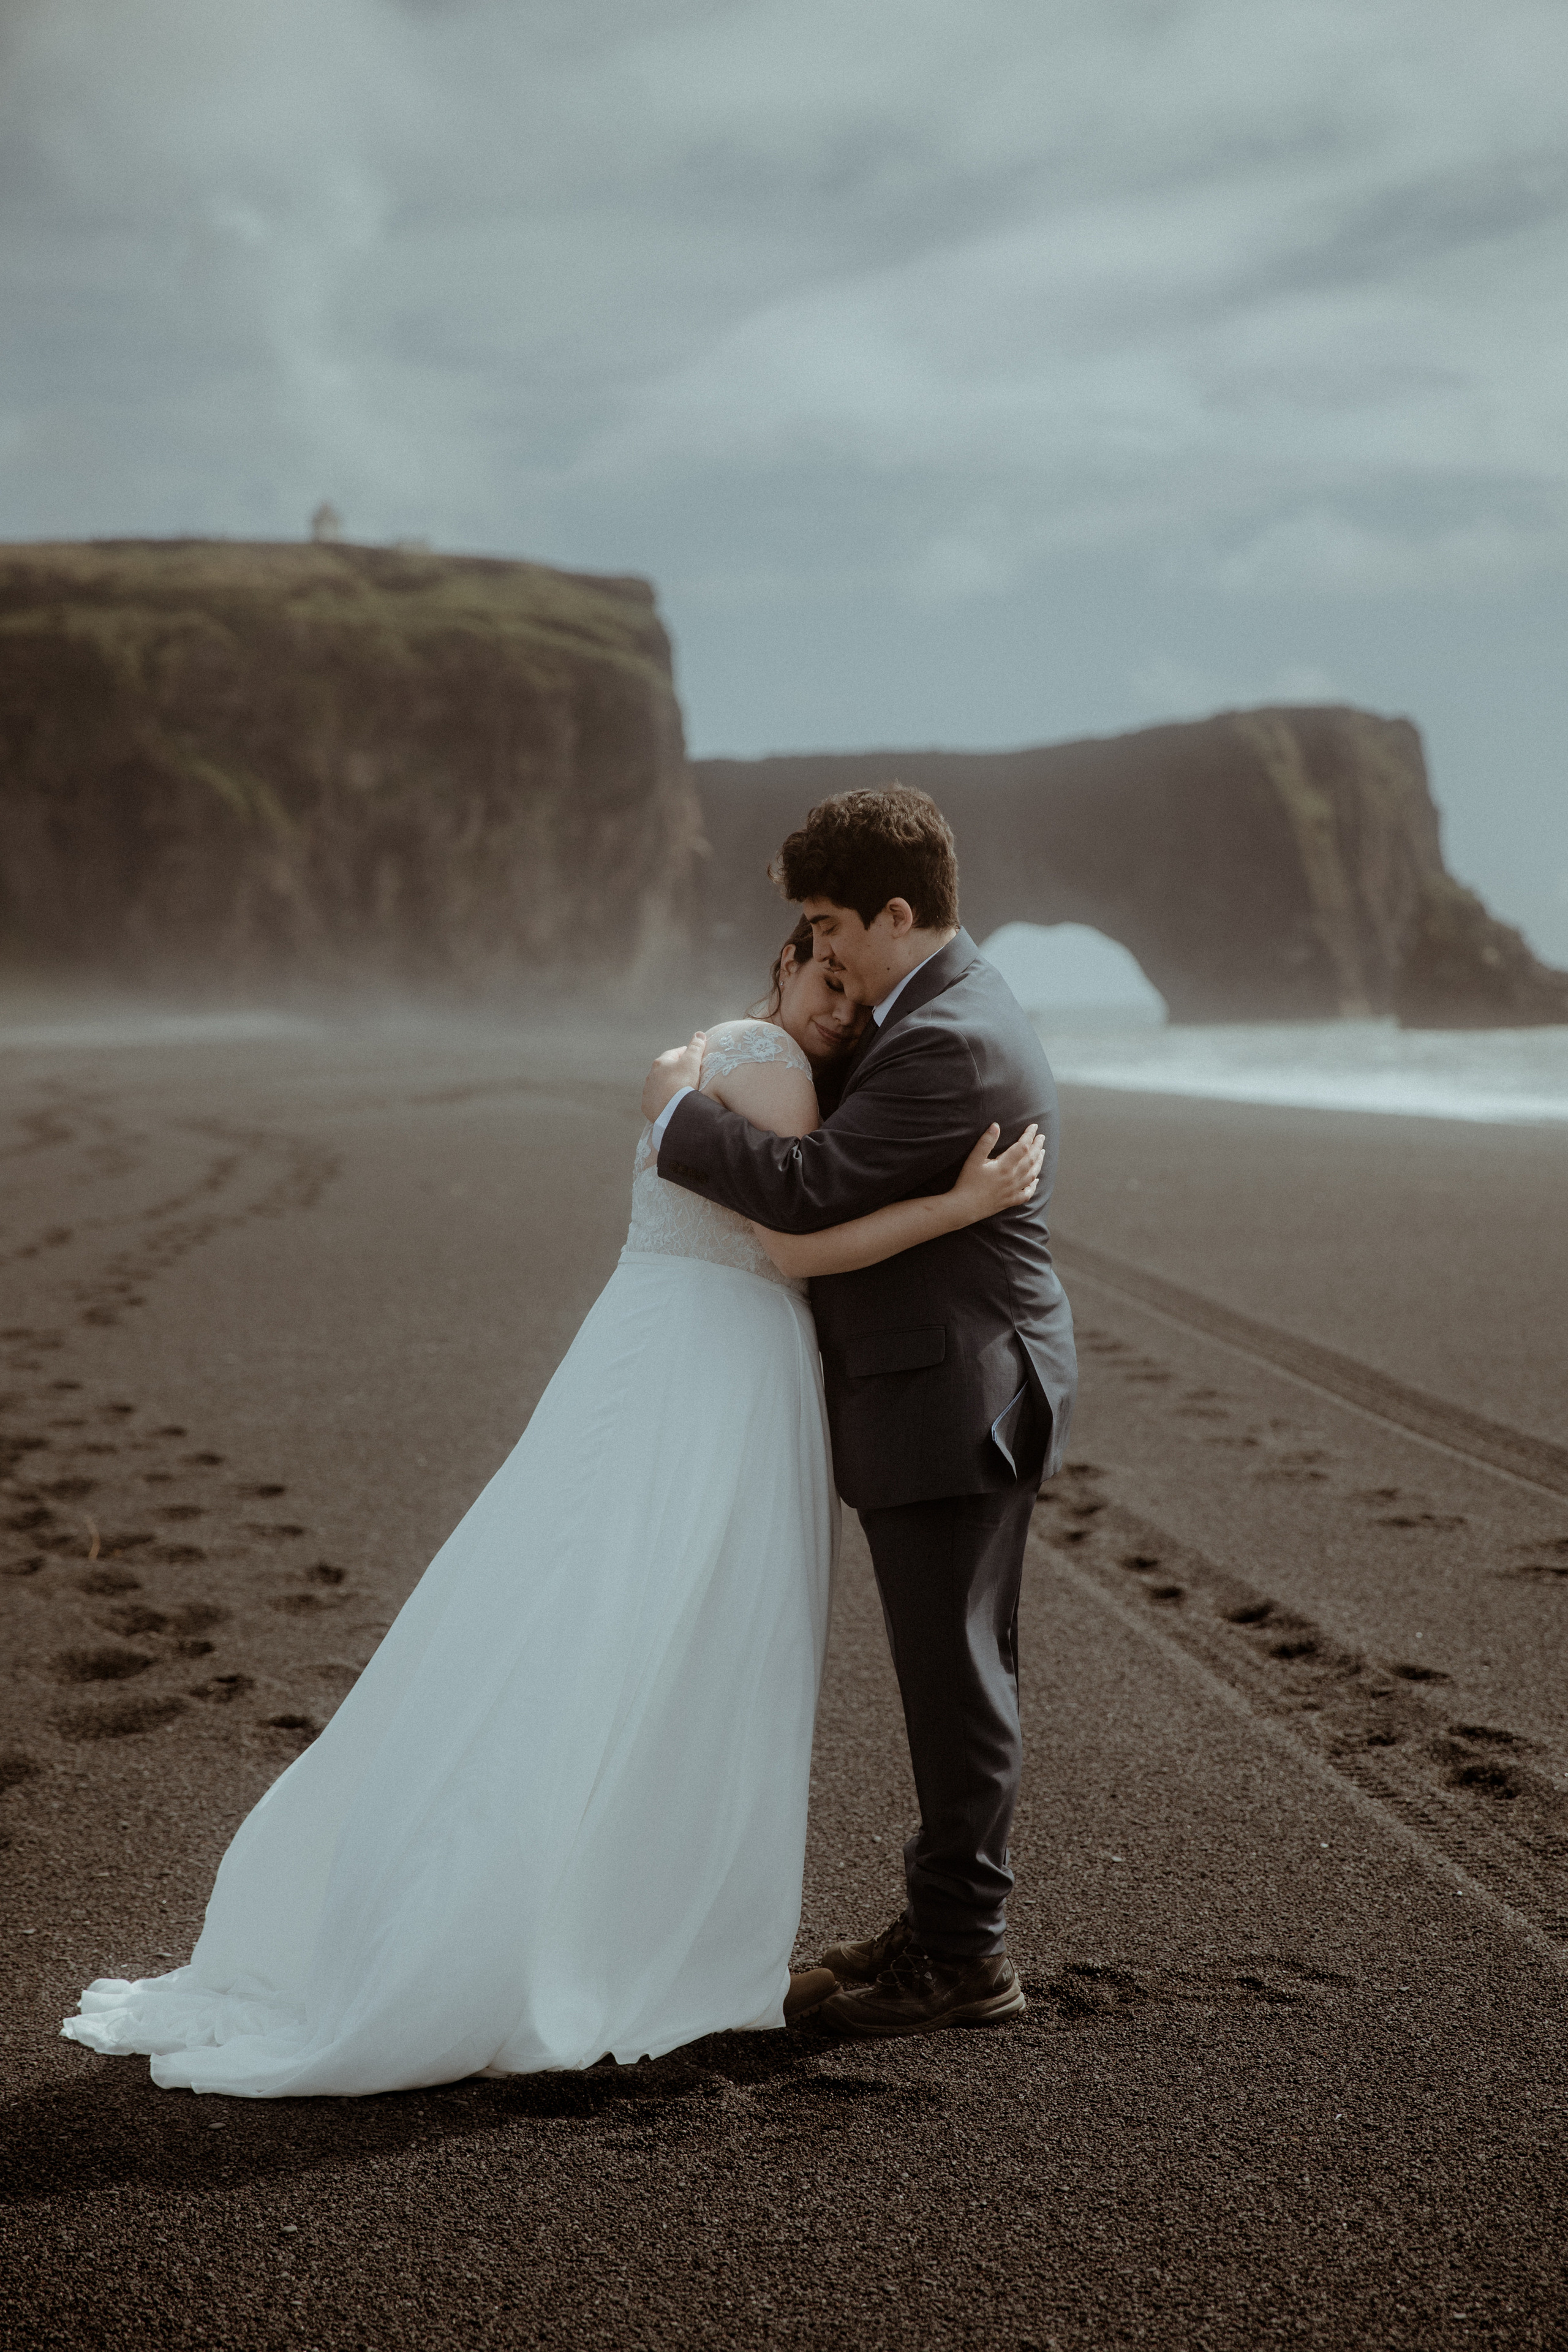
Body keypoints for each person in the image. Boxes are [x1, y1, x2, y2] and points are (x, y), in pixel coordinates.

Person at [60, 925, 1044, 2097]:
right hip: (710, 1374)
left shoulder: (710, 1058)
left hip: (652, 1350)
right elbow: (795, 1238)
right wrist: (963, 1202)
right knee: (675, 1643)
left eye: (850, 986)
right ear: (780, 964)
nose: (836, 1006)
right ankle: (589, 1931)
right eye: (819, 976)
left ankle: (558, 1907)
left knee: (581, 1612)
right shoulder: (764, 1061)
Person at [641, 785, 1077, 2040]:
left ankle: (963, 1959)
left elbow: (810, 1190)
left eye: (833, 922)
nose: (820, 947)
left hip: (957, 1396)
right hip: (959, 1379)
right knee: (960, 1676)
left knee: (957, 1683)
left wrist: (673, 1113)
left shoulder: (947, 1039)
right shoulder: (937, 1007)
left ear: (896, 911)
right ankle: (946, 1927)